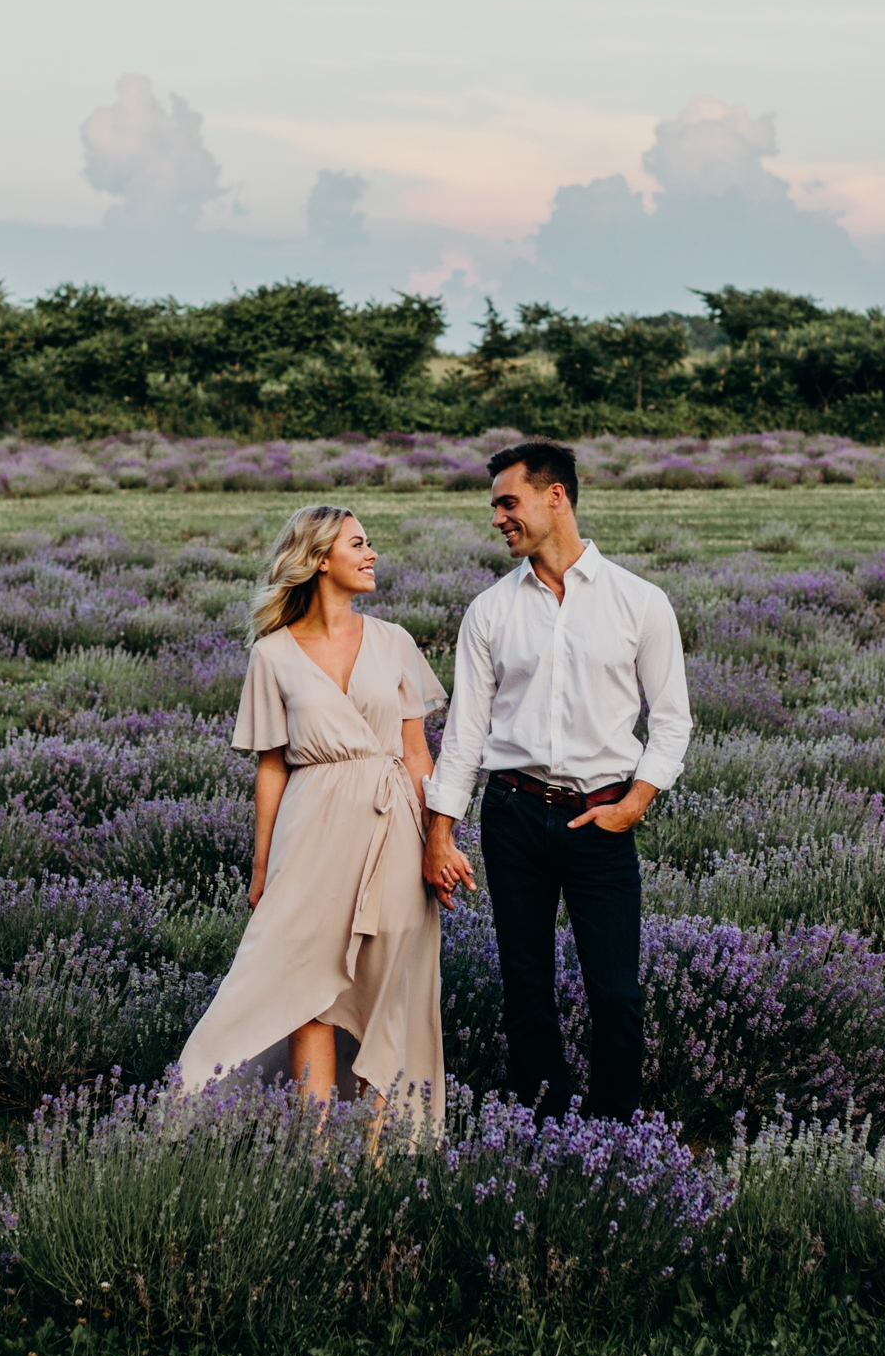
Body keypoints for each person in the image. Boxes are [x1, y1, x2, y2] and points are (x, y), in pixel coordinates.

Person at [422, 441, 691, 1122]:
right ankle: (544, 1127)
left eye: (507, 503)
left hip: (601, 818)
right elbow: (465, 736)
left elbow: (672, 722)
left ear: (555, 498)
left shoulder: (640, 602)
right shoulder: (489, 612)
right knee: (526, 988)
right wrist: (440, 831)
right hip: (513, 814)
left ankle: (614, 1132)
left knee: (615, 993)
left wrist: (634, 804)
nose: (498, 519)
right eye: (495, 507)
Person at [176, 505, 449, 1129]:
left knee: (389, 987)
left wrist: (441, 837)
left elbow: (416, 754)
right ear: (320, 558)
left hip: (395, 831)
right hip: (311, 834)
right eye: (359, 544)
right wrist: (263, 866)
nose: (372, 553)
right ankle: (317, 1155)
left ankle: (385, 1160)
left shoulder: (395, 641)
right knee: (307, 993)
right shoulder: (272, 655)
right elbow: (271, 768)